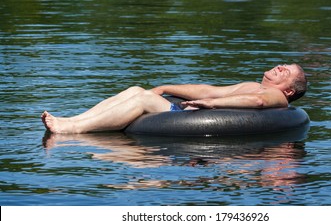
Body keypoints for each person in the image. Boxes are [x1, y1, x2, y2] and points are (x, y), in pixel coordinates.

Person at [41, 63, 307, 134]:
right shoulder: (251, 85)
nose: (281, 66)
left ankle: (74, 128)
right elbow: (208, 90)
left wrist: (212, 105)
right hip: (193, 112)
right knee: (137, 91)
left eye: (288, 71)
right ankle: (74, 121)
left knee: (141, 101)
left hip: (200, 118)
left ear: (290, 90)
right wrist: (167, 87)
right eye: (283, 64)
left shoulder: (275, 97)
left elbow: (256, 104)